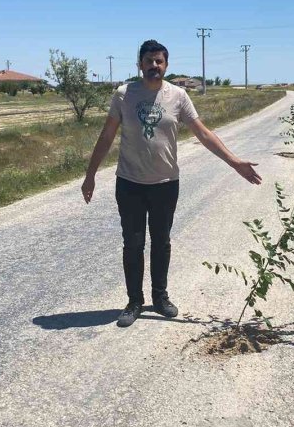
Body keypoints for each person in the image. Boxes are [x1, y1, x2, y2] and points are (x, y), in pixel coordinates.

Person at [81, 39, 262, 327]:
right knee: (133, 243)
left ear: (166, 65)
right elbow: (107, 136)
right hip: (129, 183)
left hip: (165, 184)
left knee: (161, 241)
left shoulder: (178, 96)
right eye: (149, 61)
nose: (154, 65)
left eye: (159, 61)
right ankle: (134, 301)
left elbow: (203, 133)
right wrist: (90, 174)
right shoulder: (124, 94)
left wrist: (234, 162)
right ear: (140, 64)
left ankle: (160, 297)